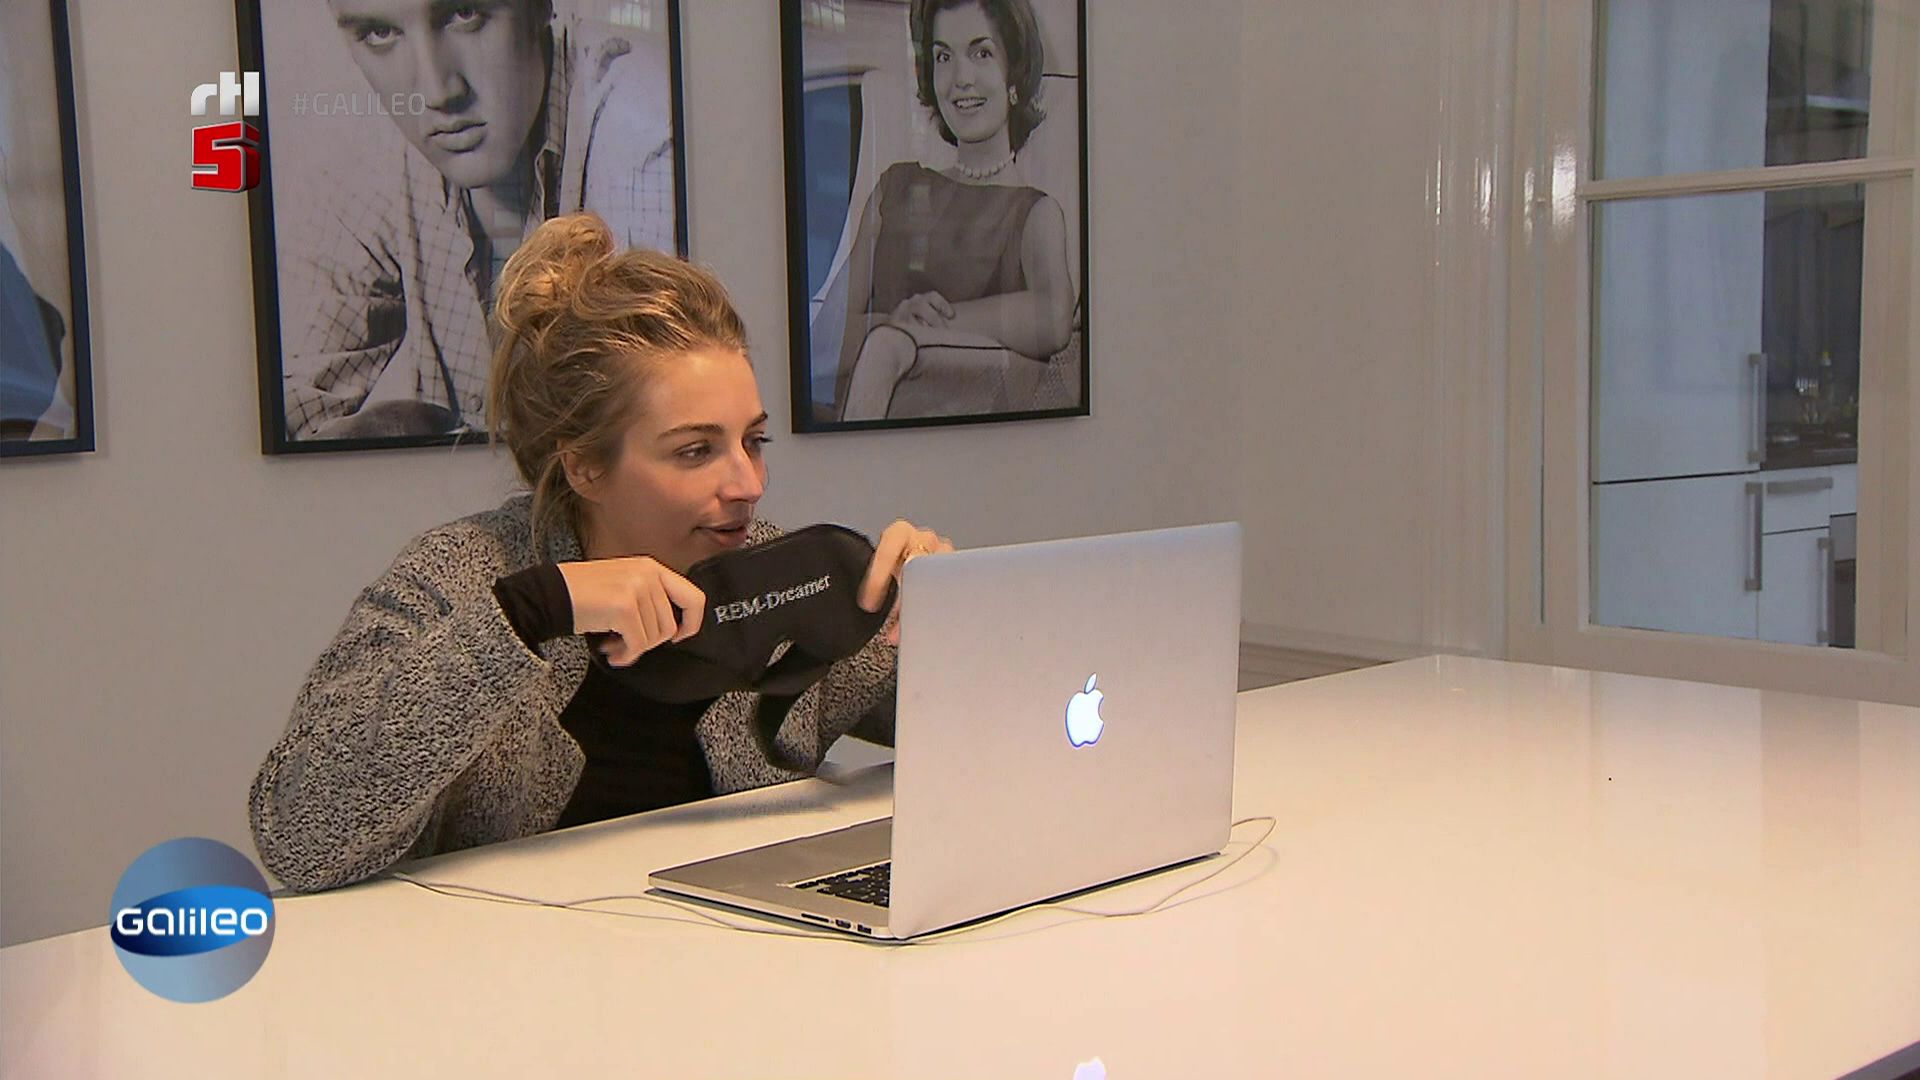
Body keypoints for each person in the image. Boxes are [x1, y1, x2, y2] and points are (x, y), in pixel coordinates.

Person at [249, 212, 953, 892]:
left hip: (749, 951)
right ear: (585, 467)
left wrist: (943, 621)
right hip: (512, 963)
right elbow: (300, 838)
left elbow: (966, 735)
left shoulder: (779, 573)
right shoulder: (458, 581)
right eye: (696, 450)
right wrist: (529, 614)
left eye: (753, 441)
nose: (750, 483)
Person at [281, 0, 677, 441]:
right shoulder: (360, 151)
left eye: (465, 13)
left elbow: (659, 431)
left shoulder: (650, 133)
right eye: (380, 33)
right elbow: (287, 419)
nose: (437, 93)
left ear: (539, 7)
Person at [832, 0, 1075, 421]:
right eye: (944, 57)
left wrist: (918, 329)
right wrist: (896, 318)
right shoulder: (895, 188)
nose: (961, 78)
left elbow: (1053, 319)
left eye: (982, 53)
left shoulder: (1035, 213)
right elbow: (825, 337)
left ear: (1014, 75)